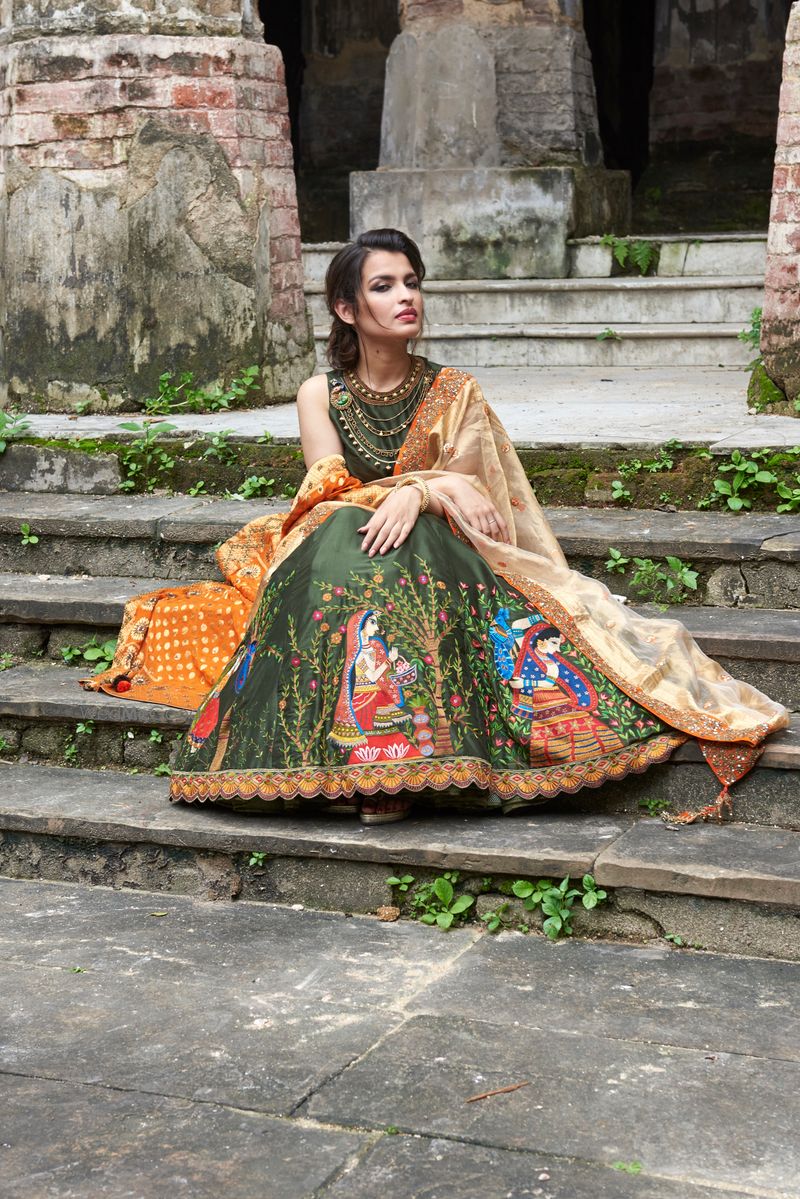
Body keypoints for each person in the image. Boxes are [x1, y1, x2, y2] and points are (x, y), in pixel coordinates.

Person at [84, 228, 788, 825]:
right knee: (342, 540)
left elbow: (478, 502)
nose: (407, 297)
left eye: (412, 282)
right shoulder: (317, 393)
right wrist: (429, 483)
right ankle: (344, 762)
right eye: (385, 286)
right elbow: (328, 488)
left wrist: (426, 495)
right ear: (346, 307)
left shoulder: (454, 391)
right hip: (337, 536)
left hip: (441, 552)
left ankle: (412, 766)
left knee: (407, 543)